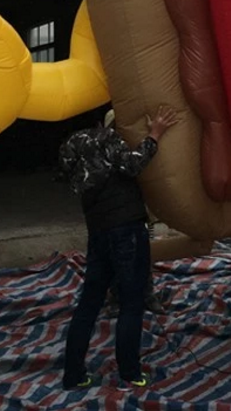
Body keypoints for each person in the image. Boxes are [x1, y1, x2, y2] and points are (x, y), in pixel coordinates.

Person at [60, 104, 178, 390]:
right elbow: (134, 163)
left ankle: (74, 375)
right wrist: (155, 134)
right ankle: (131, 373)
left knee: (89, 303)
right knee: (131, 301)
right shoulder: (106, 140)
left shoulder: (70, 148)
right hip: (127, 229)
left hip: (98, 232)